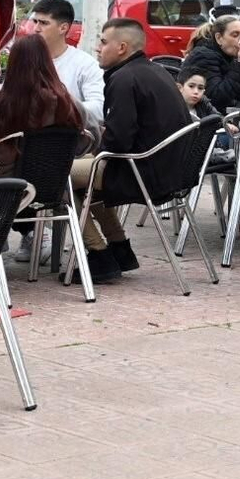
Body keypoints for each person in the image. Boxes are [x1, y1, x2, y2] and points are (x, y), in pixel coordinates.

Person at [71, 19, 194, 283]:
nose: (97, 48)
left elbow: (117, 142)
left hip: (140, 173)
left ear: (122, 48)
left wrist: (98, 145)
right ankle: (119, 249)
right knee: (84, 173)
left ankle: (98, 253)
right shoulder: (157, 71)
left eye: (103, 42)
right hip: (169, 171)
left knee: (58, 176)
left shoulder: (124, 79)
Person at [0, 33, 84, 262]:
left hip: (7, 187)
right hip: (53, 186)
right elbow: (87, 136)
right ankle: (32, 234)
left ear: (14, 63)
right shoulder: (66, 101)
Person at [25, 0, 104, 131]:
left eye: (44, 23)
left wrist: (60, 107)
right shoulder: (26, 59)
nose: (36, 28)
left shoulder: (85, 64)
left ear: (63, 28)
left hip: (66, 140)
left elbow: (99, 108)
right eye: (35, 21)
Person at [178, 14, 240, 112]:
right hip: (210, 118)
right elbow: (216, 98)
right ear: (219, 38)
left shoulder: (230, 55)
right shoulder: (204, 56)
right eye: (235, 35)